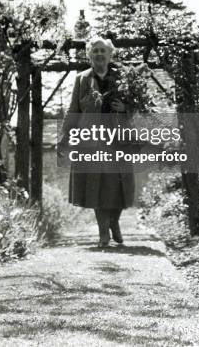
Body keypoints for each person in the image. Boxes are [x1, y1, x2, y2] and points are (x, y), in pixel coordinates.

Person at [59, 37, 135, 247]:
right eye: (95, 51)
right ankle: (104, 232)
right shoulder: (82, 79)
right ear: (89, 55)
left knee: (119, 183)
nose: (99, 54)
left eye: (103, 50)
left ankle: (114, 222)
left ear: (110, 55)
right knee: (96, 185)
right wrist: (64, 137)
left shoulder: (123, 77)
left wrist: (125, 109)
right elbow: (73, 109)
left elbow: (138, 107)